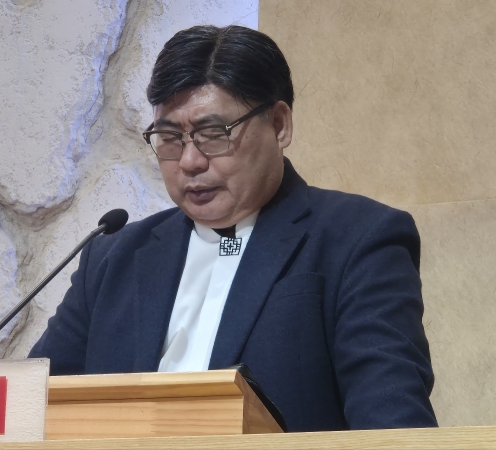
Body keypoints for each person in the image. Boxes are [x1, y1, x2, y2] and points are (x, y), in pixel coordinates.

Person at [29, 25, 437, 432]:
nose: (189, 161)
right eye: (169, 137)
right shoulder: (113, 256)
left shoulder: (356, 238)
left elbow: (393, 424)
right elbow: (28, 410)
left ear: (279, 125)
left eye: (212, 134)